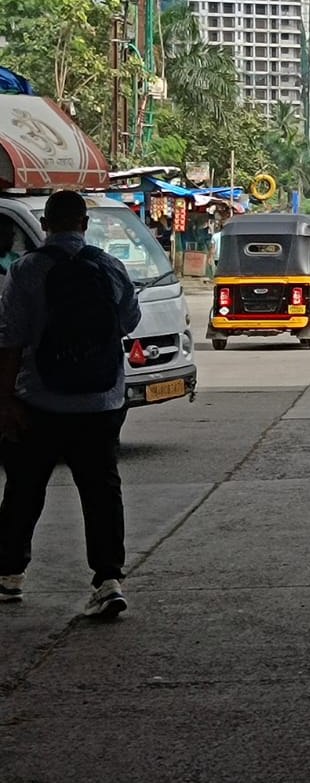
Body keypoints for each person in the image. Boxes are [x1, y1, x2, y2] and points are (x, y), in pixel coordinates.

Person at [0, 191, 142, 616]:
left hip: (40, 401)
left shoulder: (27, 270)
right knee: (101, 491)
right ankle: (109, 579)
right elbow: (129, 321)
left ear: (46, 224)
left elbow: (9, 340)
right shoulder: (109, 266)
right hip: (101, 401)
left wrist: (5, 401)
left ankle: (9, 574)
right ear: (84, 223)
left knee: (25, 488)